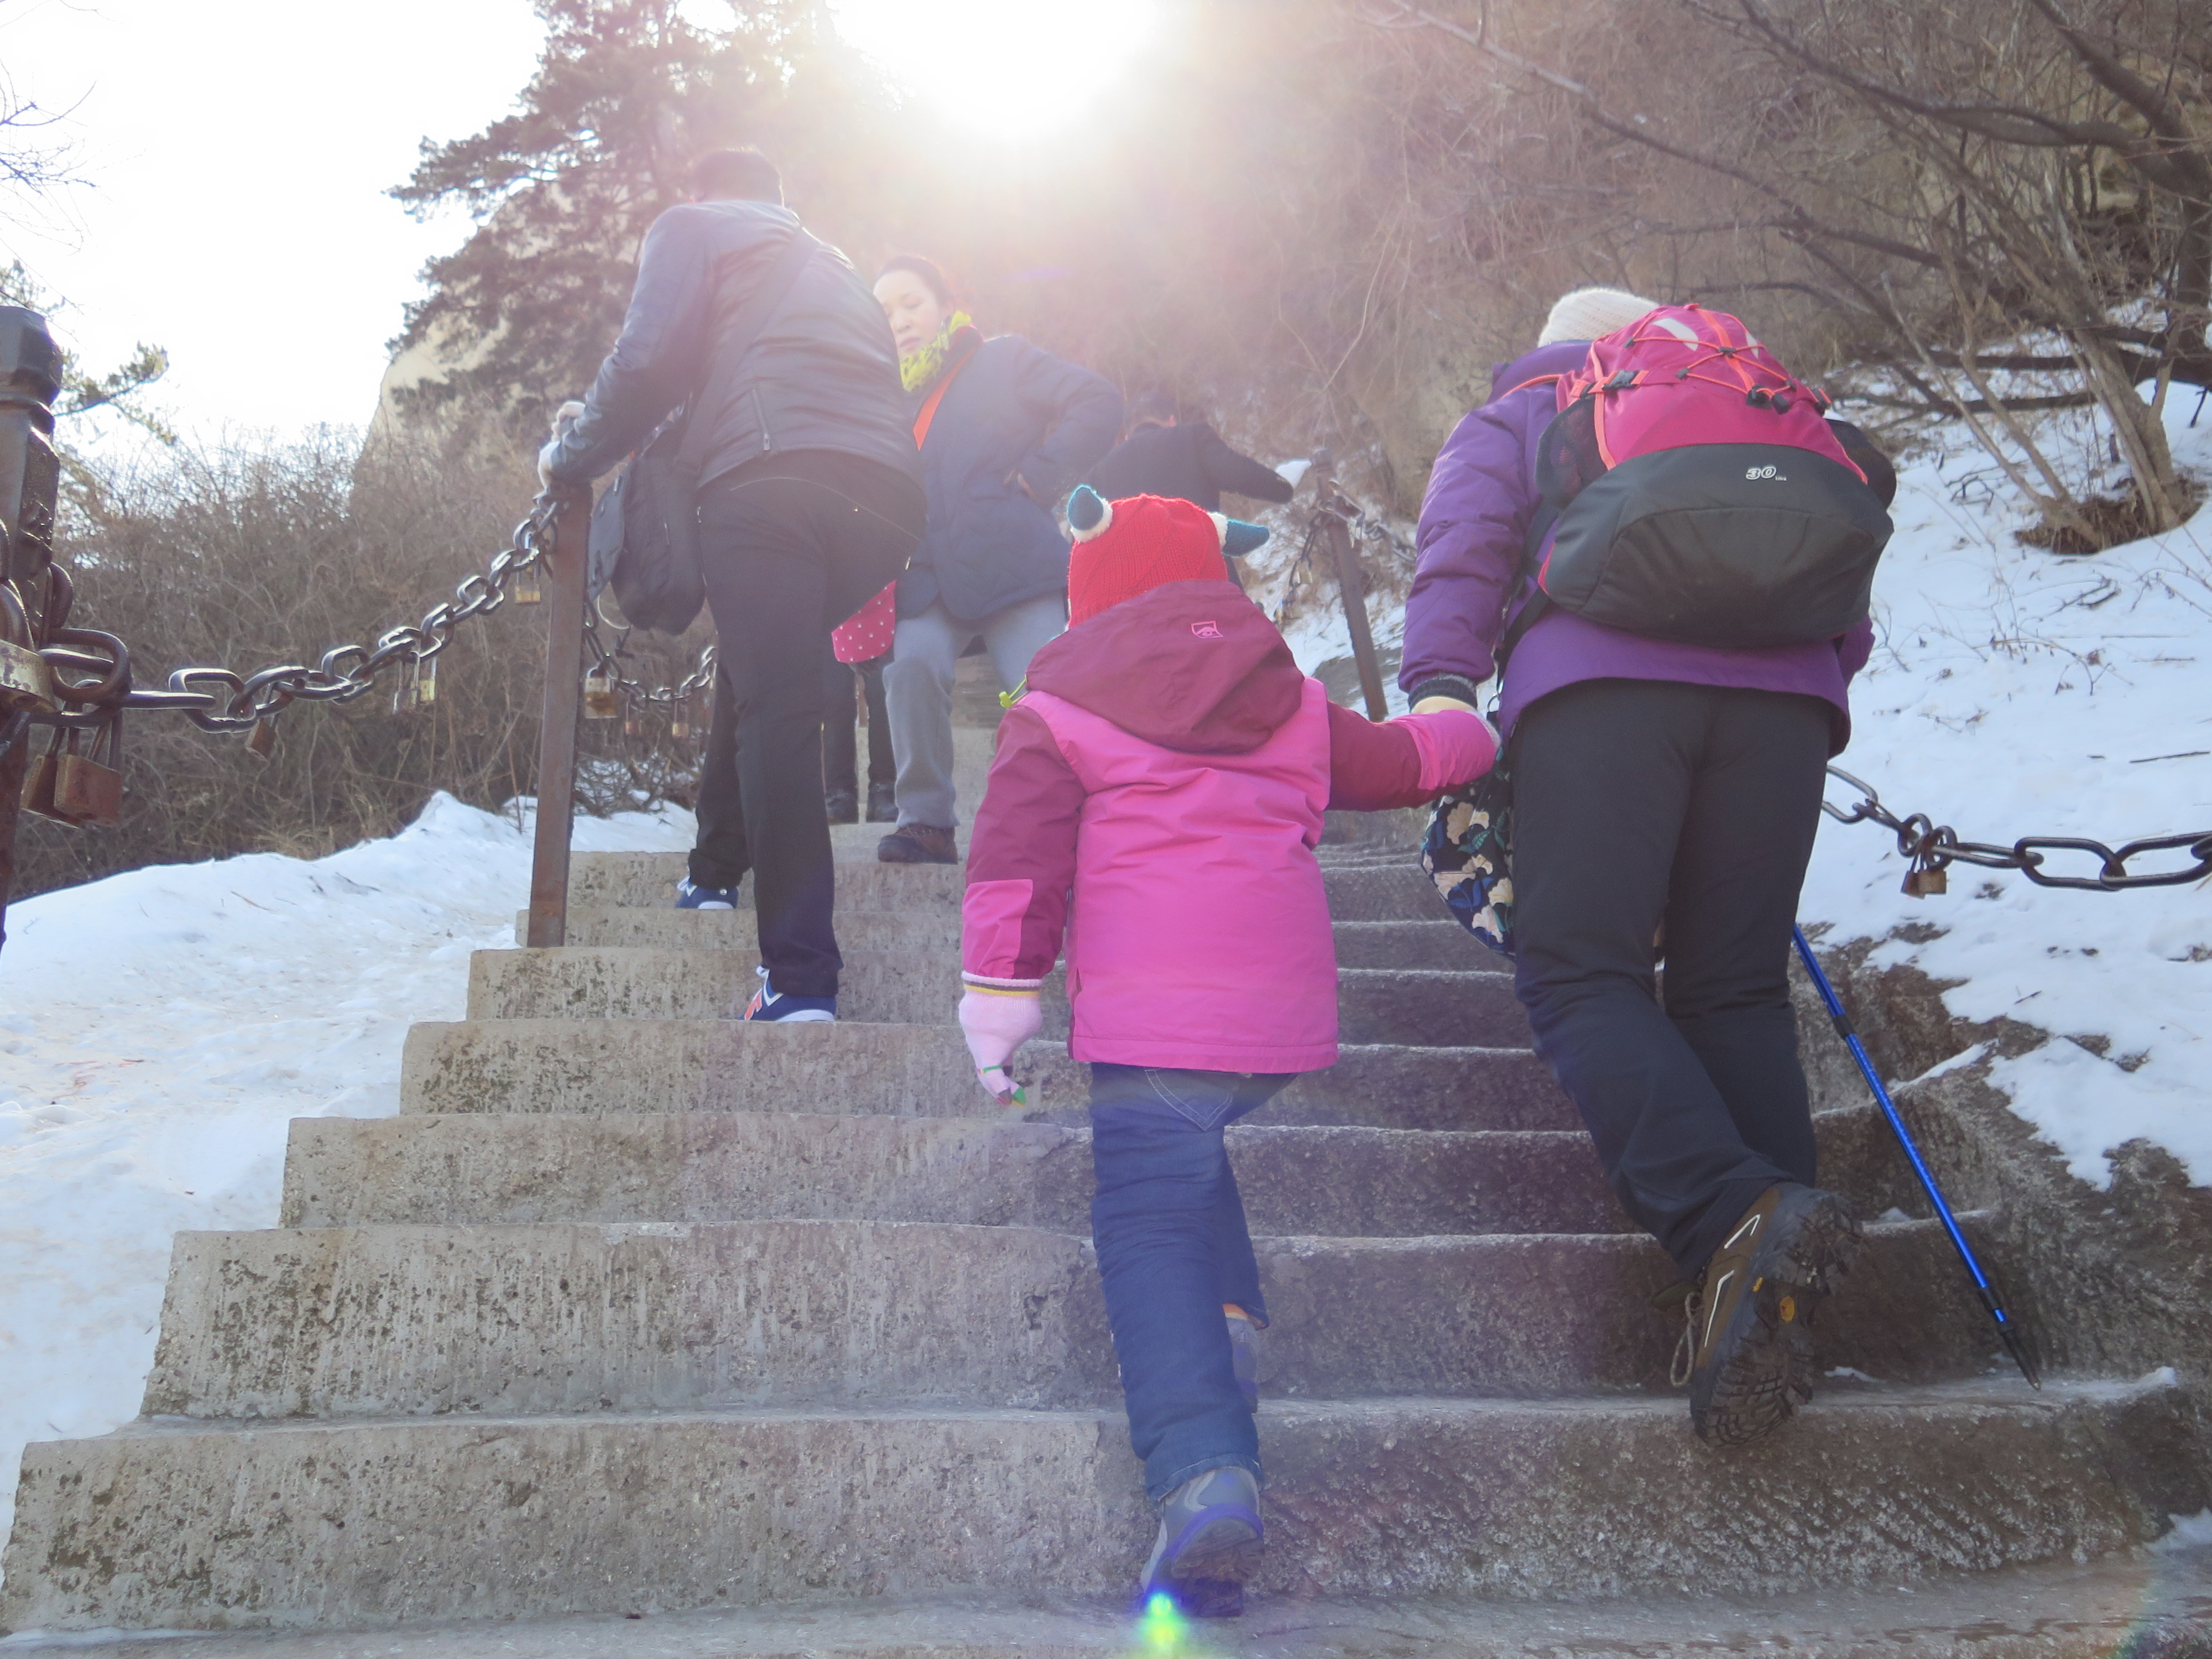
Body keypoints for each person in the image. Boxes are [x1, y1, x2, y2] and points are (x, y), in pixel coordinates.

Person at [956, 487, 1499, 1616]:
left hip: (1154, 1011)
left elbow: (1014, 863)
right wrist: (1481, 729)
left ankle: (1202, 1469)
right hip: (1274, 1018)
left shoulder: (1056, 704)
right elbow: (1401, 761)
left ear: (1087, 590)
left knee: (1143, 1215)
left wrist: (999, 996)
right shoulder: (1288, 695)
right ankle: (1231, 1322)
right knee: (1190, 1152)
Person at [1398, 285, 1889, 1444]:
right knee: (1730, 988)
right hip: (1785, 707)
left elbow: (1461, 546)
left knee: (1581, 971)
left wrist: (1438, 694)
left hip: (1599, 689)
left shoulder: (1530, 405)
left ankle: (1732, 1215)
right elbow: (1844, 599)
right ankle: (1771, 1302)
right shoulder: (1762, 404)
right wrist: (1788, 690)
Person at [541, 148, 923, 1022]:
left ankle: (800, 977)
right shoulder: (835, 265)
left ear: (703, 192)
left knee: (779, 710)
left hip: (766, 481)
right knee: (765, 677)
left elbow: (644, 362)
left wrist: (569, 454)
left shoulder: (692, 226)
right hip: (887, 502)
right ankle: (713, 873)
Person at [868, 254, 1122, 865]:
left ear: (944, 306)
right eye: (884, 313)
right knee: (911, 671)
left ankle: (1092, 817)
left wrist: (1040, 475)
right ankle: (925, 822)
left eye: (912, 303)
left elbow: (1097, 399)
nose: (900, 321)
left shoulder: (1002, 359)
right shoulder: (878, 403)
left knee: (1044, 689)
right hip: (926, 578)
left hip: (1012, 563)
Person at [1087, 393, 1307, 514]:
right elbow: (1238, 473)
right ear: (1172, 421)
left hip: (1140, 593)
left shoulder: (1101, 471)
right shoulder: (1191, 438)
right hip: (1205, 577)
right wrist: (1281, 486)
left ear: (1128, 435)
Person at [822, 650, 894, 823]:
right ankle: (839, 795)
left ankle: (883, 791)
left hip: (880, 626)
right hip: (830, 628)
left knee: (883, 690)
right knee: (835, 695)